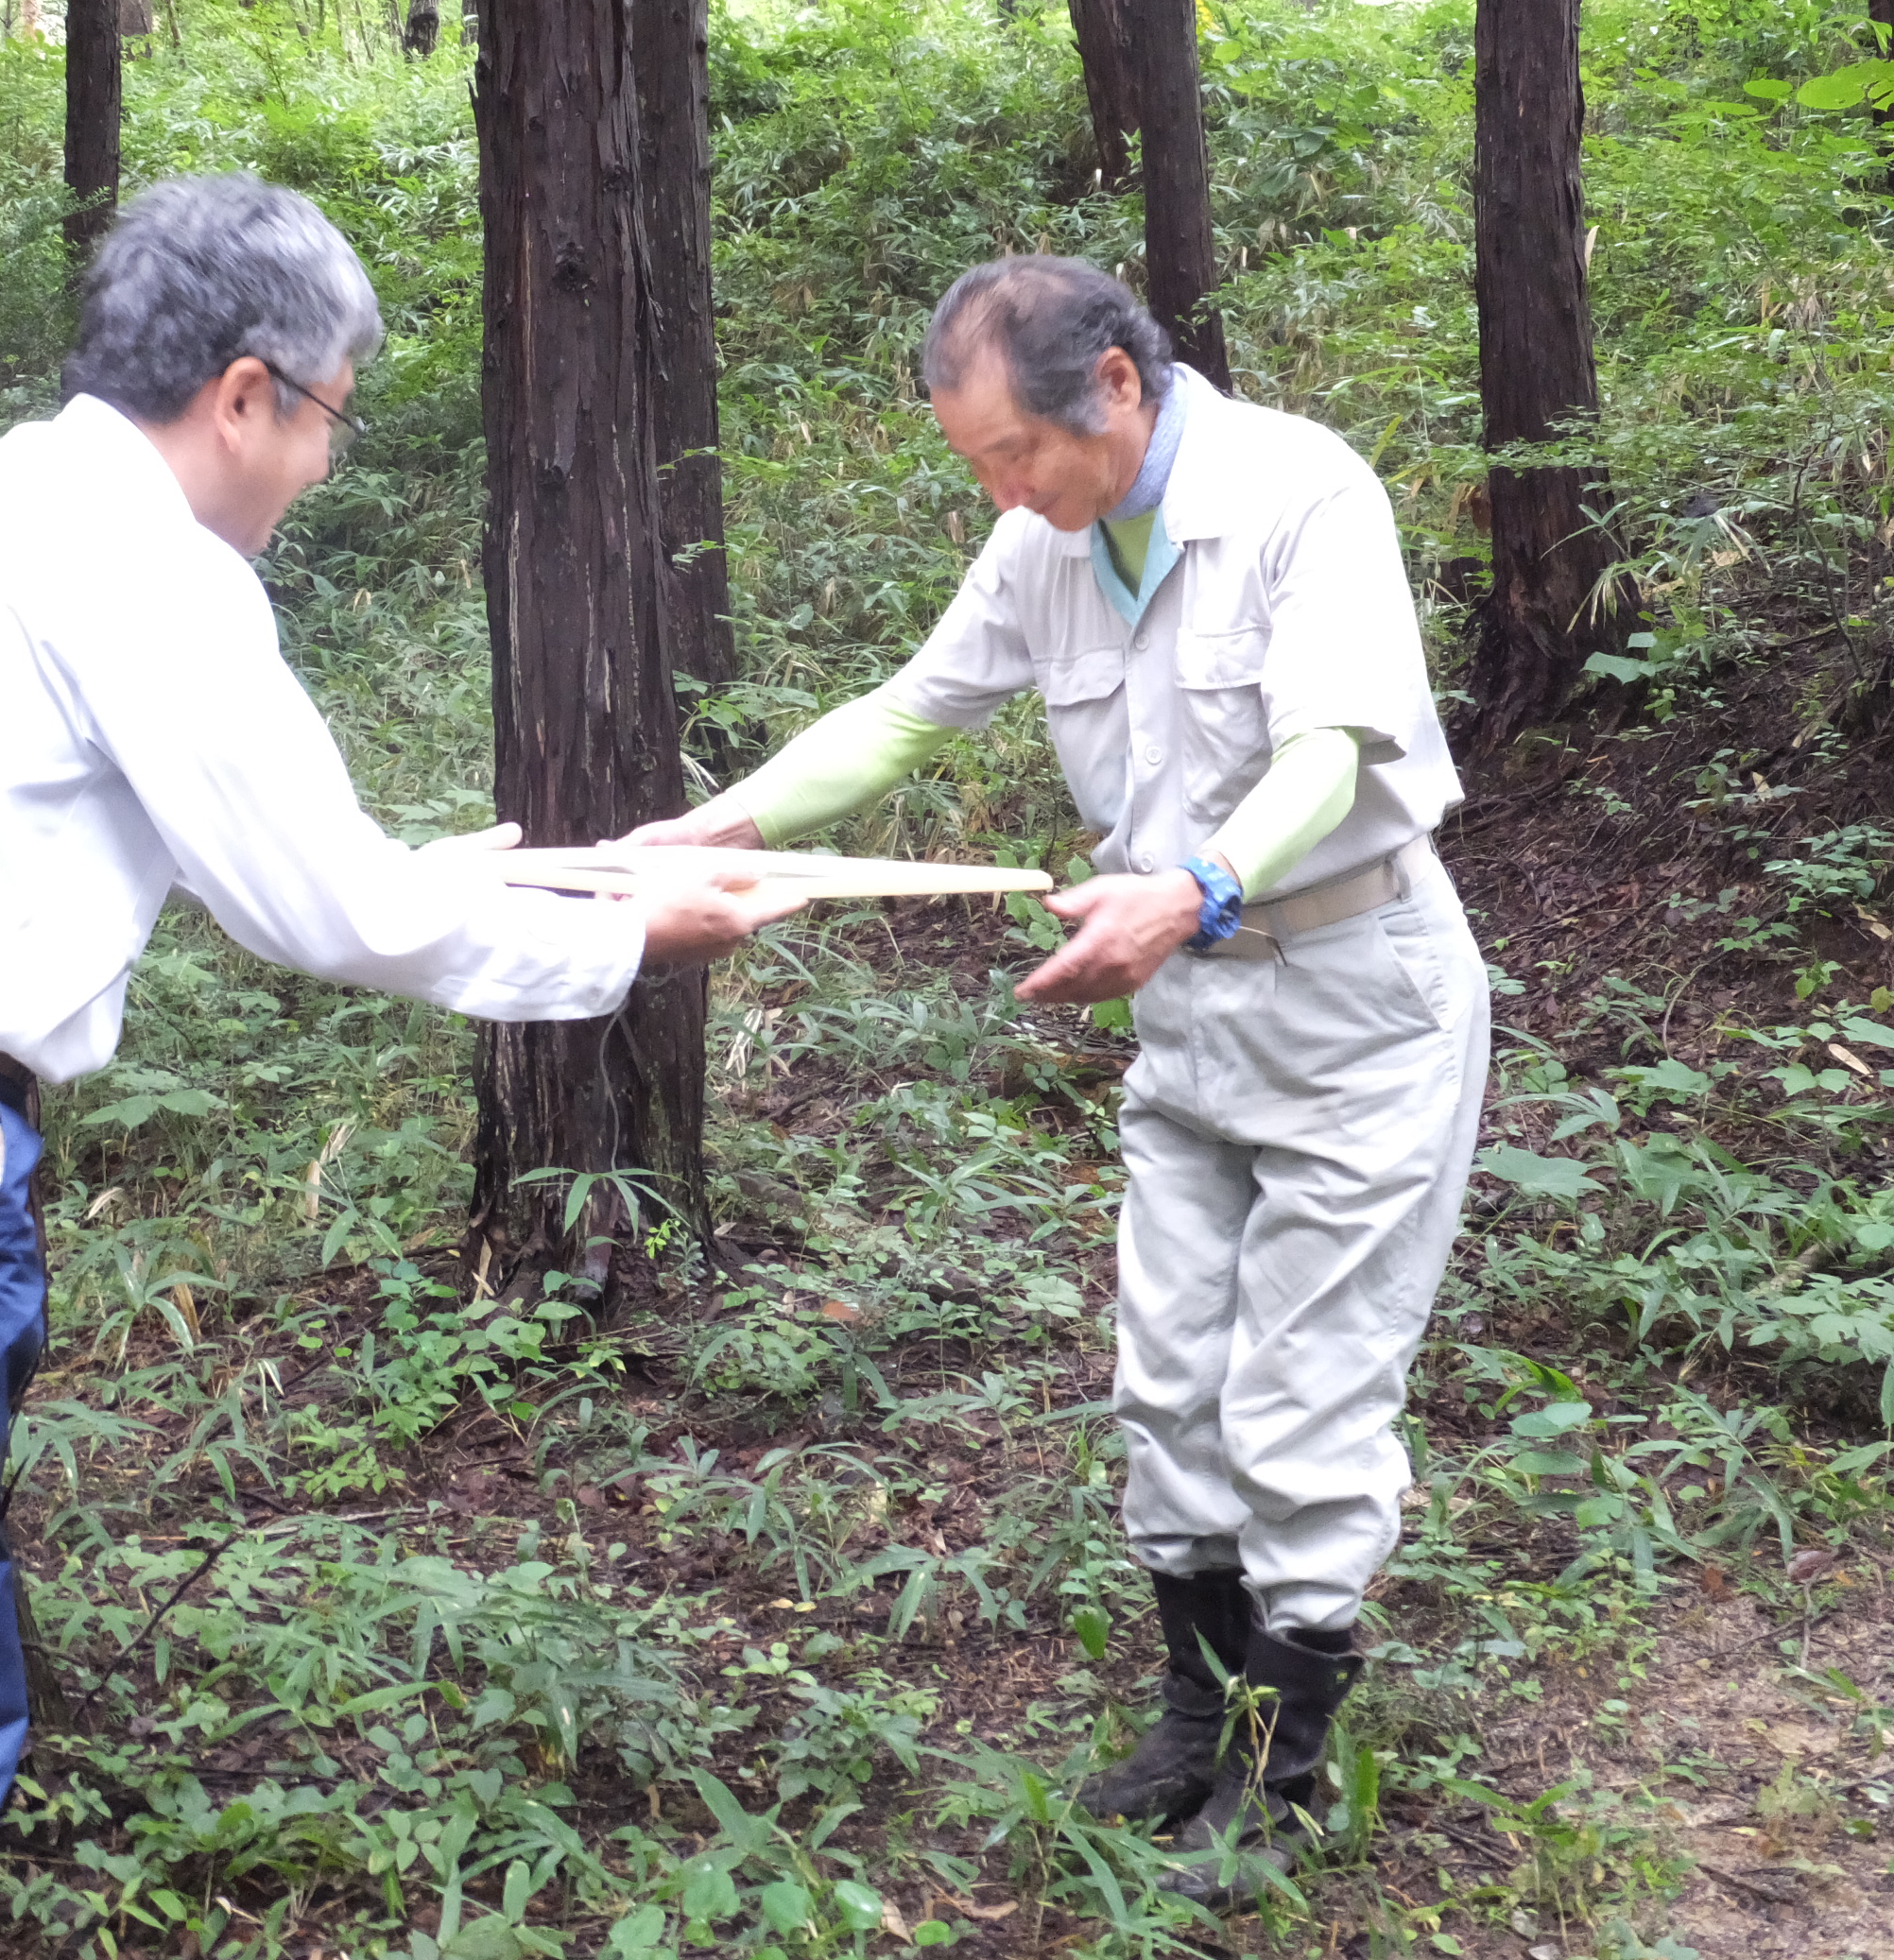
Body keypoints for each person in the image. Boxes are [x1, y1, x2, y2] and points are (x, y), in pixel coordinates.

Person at [0, 174, 798, 1960]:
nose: (319, 467)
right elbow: (323, 913)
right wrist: (632, 936)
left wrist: (444, 882)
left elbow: (277, 858)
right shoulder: (147, 564)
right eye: (326, 418)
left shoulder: (9, 500)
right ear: (248, 391)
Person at [627, 255, 1487, 1906]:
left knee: (1301, 1404)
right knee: (1169, 1383)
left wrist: (1196, 887)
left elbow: (1333, 750)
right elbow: (901, 715)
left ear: (1113, 383)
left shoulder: (1302, 492)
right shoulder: (1044, 538)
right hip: (1197, 1020)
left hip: (1360, 999)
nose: (1004, 496)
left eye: (1014, 455)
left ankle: (1290, 1777)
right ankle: (1196, 1717)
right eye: (977, 469)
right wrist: (713, 824)